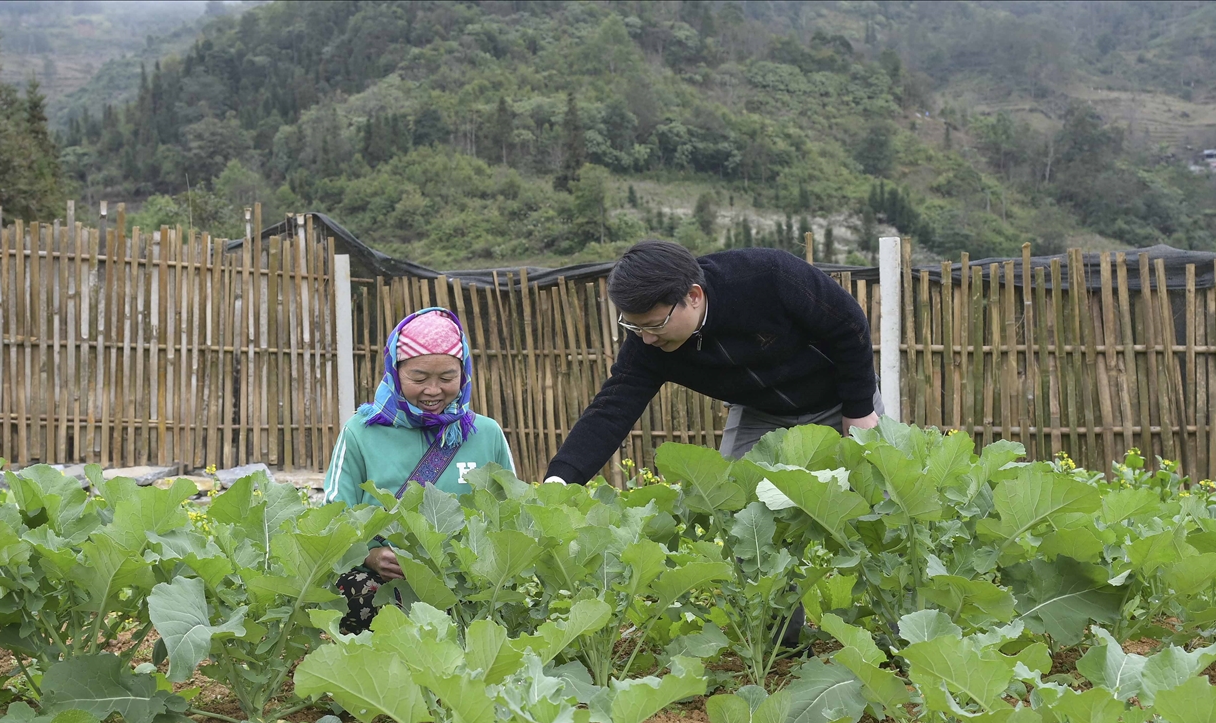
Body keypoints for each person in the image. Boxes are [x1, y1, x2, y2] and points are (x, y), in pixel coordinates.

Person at [543, 240, 881, 486]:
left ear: (693, 296)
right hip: (761, 415)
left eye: (654, 325)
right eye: (634, 327)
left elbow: (848, 325)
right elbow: (610, 410)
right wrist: (560, 479)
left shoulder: (768, 277)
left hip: (841, 398)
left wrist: (859, 408)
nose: (646, 339)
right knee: (735, 504)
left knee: (873, 492)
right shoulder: (648, 346)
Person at [323, 306, 515, 631]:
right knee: (359, 590)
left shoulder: (487, 434)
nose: (433, 390)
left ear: (464, 373)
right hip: (385, 582)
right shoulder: (360, 432)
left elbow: (511, 513)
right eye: (419, 377)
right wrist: (370, 556)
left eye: (447, 377)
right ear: (395, 372)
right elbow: (332, 515)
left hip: (466, 580)